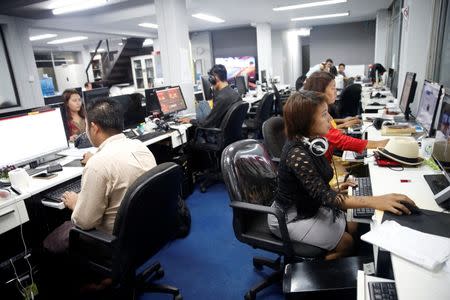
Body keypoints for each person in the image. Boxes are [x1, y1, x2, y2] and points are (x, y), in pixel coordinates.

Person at [268, 90, 416, 260]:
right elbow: (325, 197)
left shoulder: (314, 143)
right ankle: (305, 272)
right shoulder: (297, 154)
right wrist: (377, 201)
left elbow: (311, 185)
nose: (330, 119)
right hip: (288, 217)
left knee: (352, 223)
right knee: (347, 243)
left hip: (307, 205)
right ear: (306, 122)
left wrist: (332, 188)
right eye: (324, 115)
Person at [303, 71, 389, 161]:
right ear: (320, 90)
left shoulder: (321, 109)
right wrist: (378, 144)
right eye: (333, 88)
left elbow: (332, 129)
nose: (336, 91)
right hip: (328, 164)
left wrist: (343, 121)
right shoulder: (315, 113)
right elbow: (338, 139)